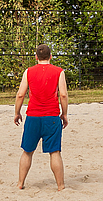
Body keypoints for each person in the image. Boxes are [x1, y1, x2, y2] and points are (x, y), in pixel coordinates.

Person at [14, 44, 68, 190]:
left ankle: (20, 183)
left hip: (33, 116)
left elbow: (20, 94)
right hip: (51, 116)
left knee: (27, 151)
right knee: (55, 152)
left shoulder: (29, 71)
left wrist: (17, 112)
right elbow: (63, 94)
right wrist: (64, 114)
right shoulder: (59, 72)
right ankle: (60, 186)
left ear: (36, 57)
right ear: (51, 56)